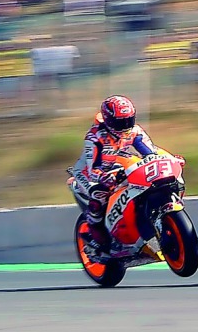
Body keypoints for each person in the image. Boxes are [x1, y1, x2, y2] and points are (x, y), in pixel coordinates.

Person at [67, 95, 175, 255]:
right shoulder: (95, 137)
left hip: (118, 163)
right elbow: (93, 168)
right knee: (99, 194)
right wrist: (103, 177)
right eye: (120, 122)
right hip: (88, 173)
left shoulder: (134, 131)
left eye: (129, 120)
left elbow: (150, 152)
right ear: (108, 120)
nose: (125, 126)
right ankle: (98, 239)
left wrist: (167, 159)